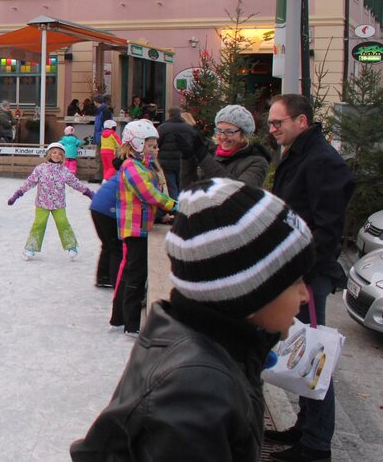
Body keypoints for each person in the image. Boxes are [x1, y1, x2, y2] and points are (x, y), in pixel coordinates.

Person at [71, 178, 315, 461]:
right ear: (246, 291)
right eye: (294, 280)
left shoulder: (216, 350)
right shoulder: (197, 394)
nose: (305, 295)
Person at [264, 94, 354, 462]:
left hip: (307, 274)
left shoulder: (321, 161)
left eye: (277, 123)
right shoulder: (299, 152)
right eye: (270, 123)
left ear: (302, 121)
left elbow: (328, 229)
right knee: (300, 348)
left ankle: (317, 445)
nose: (272, 130)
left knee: (314, 354)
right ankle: (305, 426)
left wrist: (302, 274)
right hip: (295, 269)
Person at [110, 120, 176, 337]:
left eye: (156, 146)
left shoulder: (145, 166)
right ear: (136, 144)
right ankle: (131, 324)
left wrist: (164, 212)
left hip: (142, 226)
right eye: (151, 145)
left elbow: (156, 190)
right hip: (134, 227)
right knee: (135, 275)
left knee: (132, 271)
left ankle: (118, 318)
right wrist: (174, 205)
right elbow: (148, 193)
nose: (155, 149)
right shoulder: (131, 167)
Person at [8, 142, 95, 259]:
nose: (56, 155)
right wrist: (17, 194)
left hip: (58, 204)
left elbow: (76, 183)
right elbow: (29, 183)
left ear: (63, 157)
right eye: (54, 152)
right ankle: (30, 248)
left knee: (63, 223)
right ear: (49, 154)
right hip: (42, 203)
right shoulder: (40, 169)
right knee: (38, 224)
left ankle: (71, 246)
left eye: (59, 154)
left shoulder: (64, 171)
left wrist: (88, 193)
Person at [180, 104, 270, 190]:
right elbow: (188, 191)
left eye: (229, 132)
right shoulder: (211, 154)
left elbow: (239, 193)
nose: (223, 137)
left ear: (243, 134)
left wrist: (204, 158)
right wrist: (187, 158)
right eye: (219, 131)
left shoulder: (256, 162)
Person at [88, 175, 121, 289]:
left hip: (97, 206)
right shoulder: (137, 174)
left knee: (108, 244)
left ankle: (103, 277)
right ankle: (115, 281)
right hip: (107, 210)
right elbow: (148, 196)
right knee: (116, 246)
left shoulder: (125, 171)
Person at [157, 106, 197, 198]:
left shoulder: (163, 128)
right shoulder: (189, 128)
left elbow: (157, 144)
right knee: (181, 186)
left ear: (169, 114)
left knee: (171, 187)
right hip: (183, 162)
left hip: (167, 163)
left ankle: (175, 207)